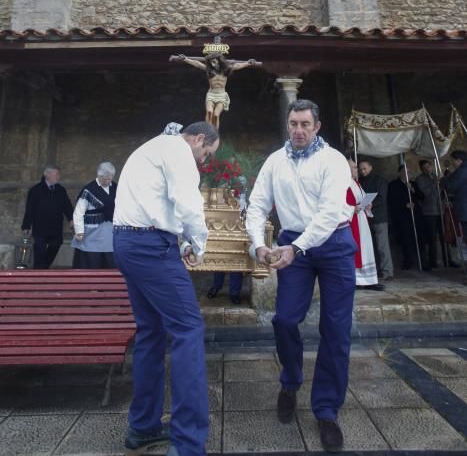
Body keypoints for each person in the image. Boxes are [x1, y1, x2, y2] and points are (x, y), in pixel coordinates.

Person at [246, 99, 355, 453]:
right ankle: (290, 382)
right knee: (285, 320)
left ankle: (326, 410)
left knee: (335, 329)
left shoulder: (333, 160)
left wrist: (296, 249)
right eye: (293, 123)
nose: (298, 130)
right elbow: (258, 203)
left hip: (333, 242)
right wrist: (258, 245)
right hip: (293, 243)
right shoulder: (275, 161)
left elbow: (327, 215)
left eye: (305, 124)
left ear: (317, 126)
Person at [113, 121, 220, 456]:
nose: (203, 161)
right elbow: (187, 202)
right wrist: (199, 245)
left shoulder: (151, 146)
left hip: (127, 241)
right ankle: (188, 443)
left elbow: (160, 205)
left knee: (151, 332)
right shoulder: (177, 149)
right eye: (206, 154)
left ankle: (143, 428)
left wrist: (182, 240)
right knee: (188, 329)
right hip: (150, 245)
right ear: (199, 138)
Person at [170, 51, 260, 129]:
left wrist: (248, 63)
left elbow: (238, 65)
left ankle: (214, 131)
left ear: (219, 61)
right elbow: (197, 64)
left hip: (222, 96)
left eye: (214, 61)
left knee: (216, 115)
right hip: (211, 94)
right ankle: (207, 128)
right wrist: (185, 59)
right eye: (211, 62)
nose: (212, 64)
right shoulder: (209, 70)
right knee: (209, 111)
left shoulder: (226, 70)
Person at [21, 165, 73, 269]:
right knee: (40, 251)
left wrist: (71, 219)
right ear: (47, 175)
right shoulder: (35, 190)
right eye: (56, 174)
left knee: (56, 245)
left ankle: (44, 267)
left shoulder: (60, 190)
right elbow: (30, 209)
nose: (59, 176)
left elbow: (67, 206)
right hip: (40, 228)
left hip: (56, 227)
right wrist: (26, 225)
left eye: (59, 174)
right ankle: (38, 273)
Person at [71, 162, 117, 269]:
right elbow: (79, 212)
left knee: (111, 260)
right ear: (99, 176)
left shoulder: (116, 187)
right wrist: (79, 231)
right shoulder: (89, 190)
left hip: (110, 231)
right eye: (106, 178)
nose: (109, 181)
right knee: (91, 262)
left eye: (110, 178)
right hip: (92, 233)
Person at [347, 159, 383, 291]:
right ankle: (357, 280)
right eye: (353, 168)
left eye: (355, 168)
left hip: (362, 219)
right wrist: (353, 208)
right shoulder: (342, 184)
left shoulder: (356, 183)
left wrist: (368, 204)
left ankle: (370, 280)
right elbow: (340, 203)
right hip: (353, 221)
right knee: (358, 250)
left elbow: (361, 200)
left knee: (366, 248)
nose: (356, 170)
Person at [358, 160, 394, 281]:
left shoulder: (380, 180)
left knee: (382, 245)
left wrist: (372, 204)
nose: (363, 171)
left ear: (371, 167)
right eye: (361, 169)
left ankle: (387, 271)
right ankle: (376, 270)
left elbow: (382, 198)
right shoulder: (360, 181)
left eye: (365, 168)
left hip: (379, 217)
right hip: (367, 217)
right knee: (371, 246)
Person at [387, 165, 424, 270]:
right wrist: (404, 205)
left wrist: (412, 189)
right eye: (405, 172)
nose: (408, 174)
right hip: (402, 217)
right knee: (405, 240)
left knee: (417, 238)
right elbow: (391, 201)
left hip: (415, 216)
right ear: (400, 173)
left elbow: (422, 197)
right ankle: (407, 262)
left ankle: (421, 261)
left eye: (409, 172)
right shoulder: (393, 185)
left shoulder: (414, 184)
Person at [416, 160, 446, 268]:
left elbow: (444, 191)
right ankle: (433, 261)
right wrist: (434, 183)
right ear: (421, 169)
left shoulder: (436, 176)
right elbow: (425, 193)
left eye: (428, 167)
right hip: (429, 212)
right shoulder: (420, 179)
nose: (427, 169)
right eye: (424, 168)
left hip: (440, 210)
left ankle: (448, 259)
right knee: (432, 238)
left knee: (444, 236)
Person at [441, 150, 467, 244]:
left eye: (453, 161)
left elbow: (451, 186)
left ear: (459, 160)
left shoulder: (463, 170)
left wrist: (443, 180)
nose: (453, 164)